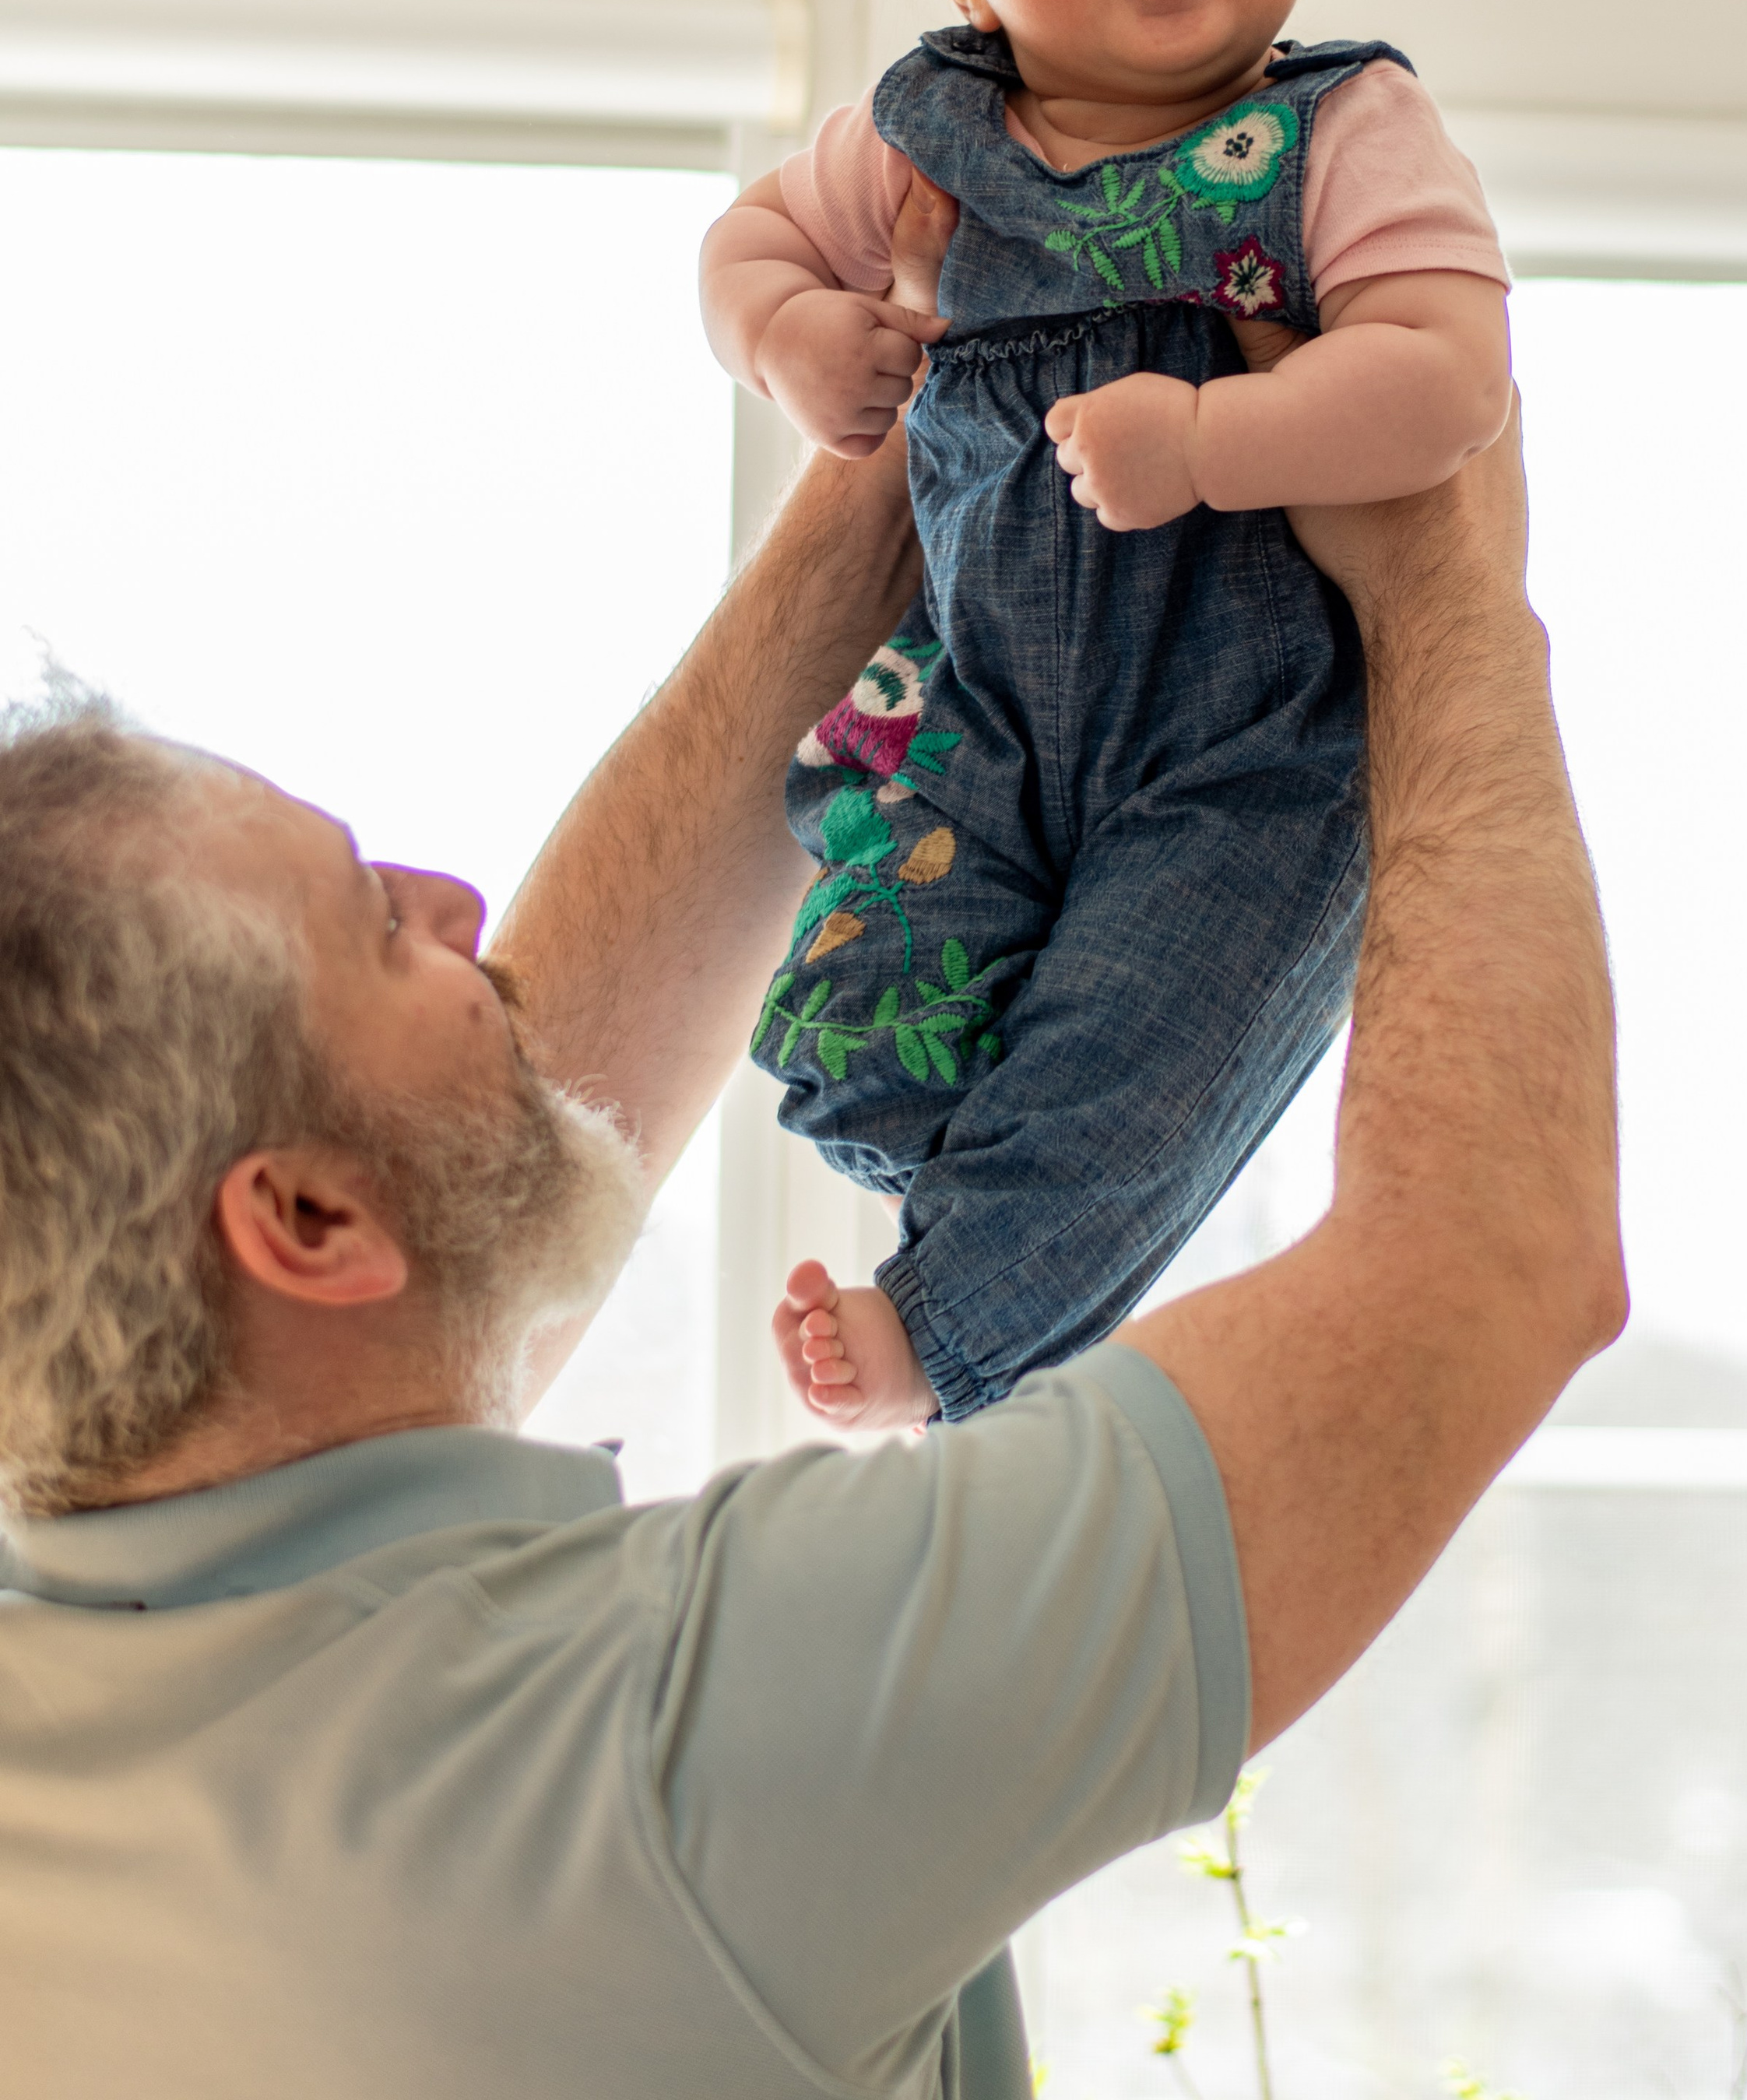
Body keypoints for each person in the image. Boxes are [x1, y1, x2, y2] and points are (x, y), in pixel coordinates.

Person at [0, 278, 1621, 2099]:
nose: (458, 902)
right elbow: (1485, 1265)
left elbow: (499, 1109)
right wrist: (1445, 596)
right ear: (304, 1227)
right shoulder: (665, 1748)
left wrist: (897, 475)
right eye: (378, 924)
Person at [701, 0, 1513, 1431]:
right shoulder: (925, 129)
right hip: (975, 707)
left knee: (1151, 1045)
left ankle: (955, 1320)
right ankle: (979, 1197)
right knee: (860, 1024)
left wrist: (1218, 444)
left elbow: (1444, 376)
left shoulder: (1335, 127)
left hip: (1247, 743)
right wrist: (795, 339)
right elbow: (740, 248)